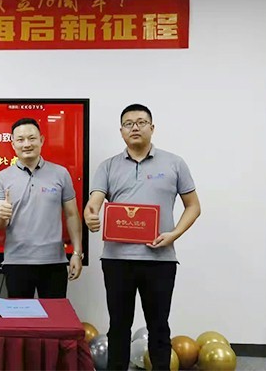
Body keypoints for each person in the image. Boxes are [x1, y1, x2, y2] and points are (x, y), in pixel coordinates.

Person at [84, 104, 201, 371]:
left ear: (152, 127)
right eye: (128, 123)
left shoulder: (174, 163)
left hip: (160, 260)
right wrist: (90, 214)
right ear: (121, 131)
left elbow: (193, 206)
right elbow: (95, 201)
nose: (134, 127)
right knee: (118, 326)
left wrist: (174, 234)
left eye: (141, 122)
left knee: (159, 326)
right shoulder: (108, 166)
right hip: (117, 260)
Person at [0, 117, 83, 299]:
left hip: (54, 262)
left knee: (55, 316)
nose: (26, 144)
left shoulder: (60, 173)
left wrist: (77, 253)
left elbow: (72, 215)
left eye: (32, 138)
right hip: (16, 262)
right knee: (20, 316)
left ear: (41, 140)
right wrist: (2, 215)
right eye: (20, 140)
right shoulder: (1, 178)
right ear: (13, 144)